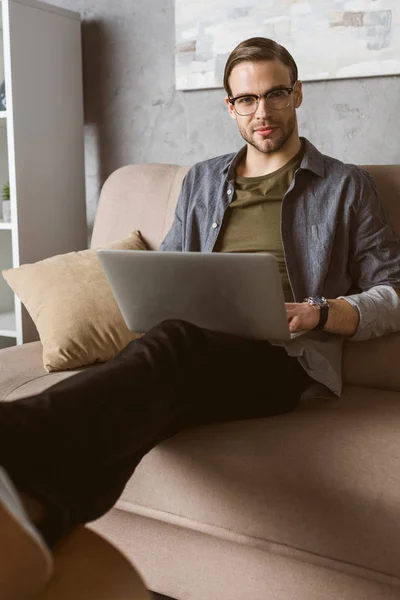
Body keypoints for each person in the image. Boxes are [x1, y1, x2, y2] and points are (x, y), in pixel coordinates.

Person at [1, 36, 400, 597]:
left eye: (275, 94)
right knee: (161, 375)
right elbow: (168, 269)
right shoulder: (202, 180)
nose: (262, 112)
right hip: (198, 342)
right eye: (247, 99)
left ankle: (15, 443)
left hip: (287, 357)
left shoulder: (345, 185)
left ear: (298, 94)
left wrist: (319, 313)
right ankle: (44, 508)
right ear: (229, 106)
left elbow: (394, 290)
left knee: (172, 349)